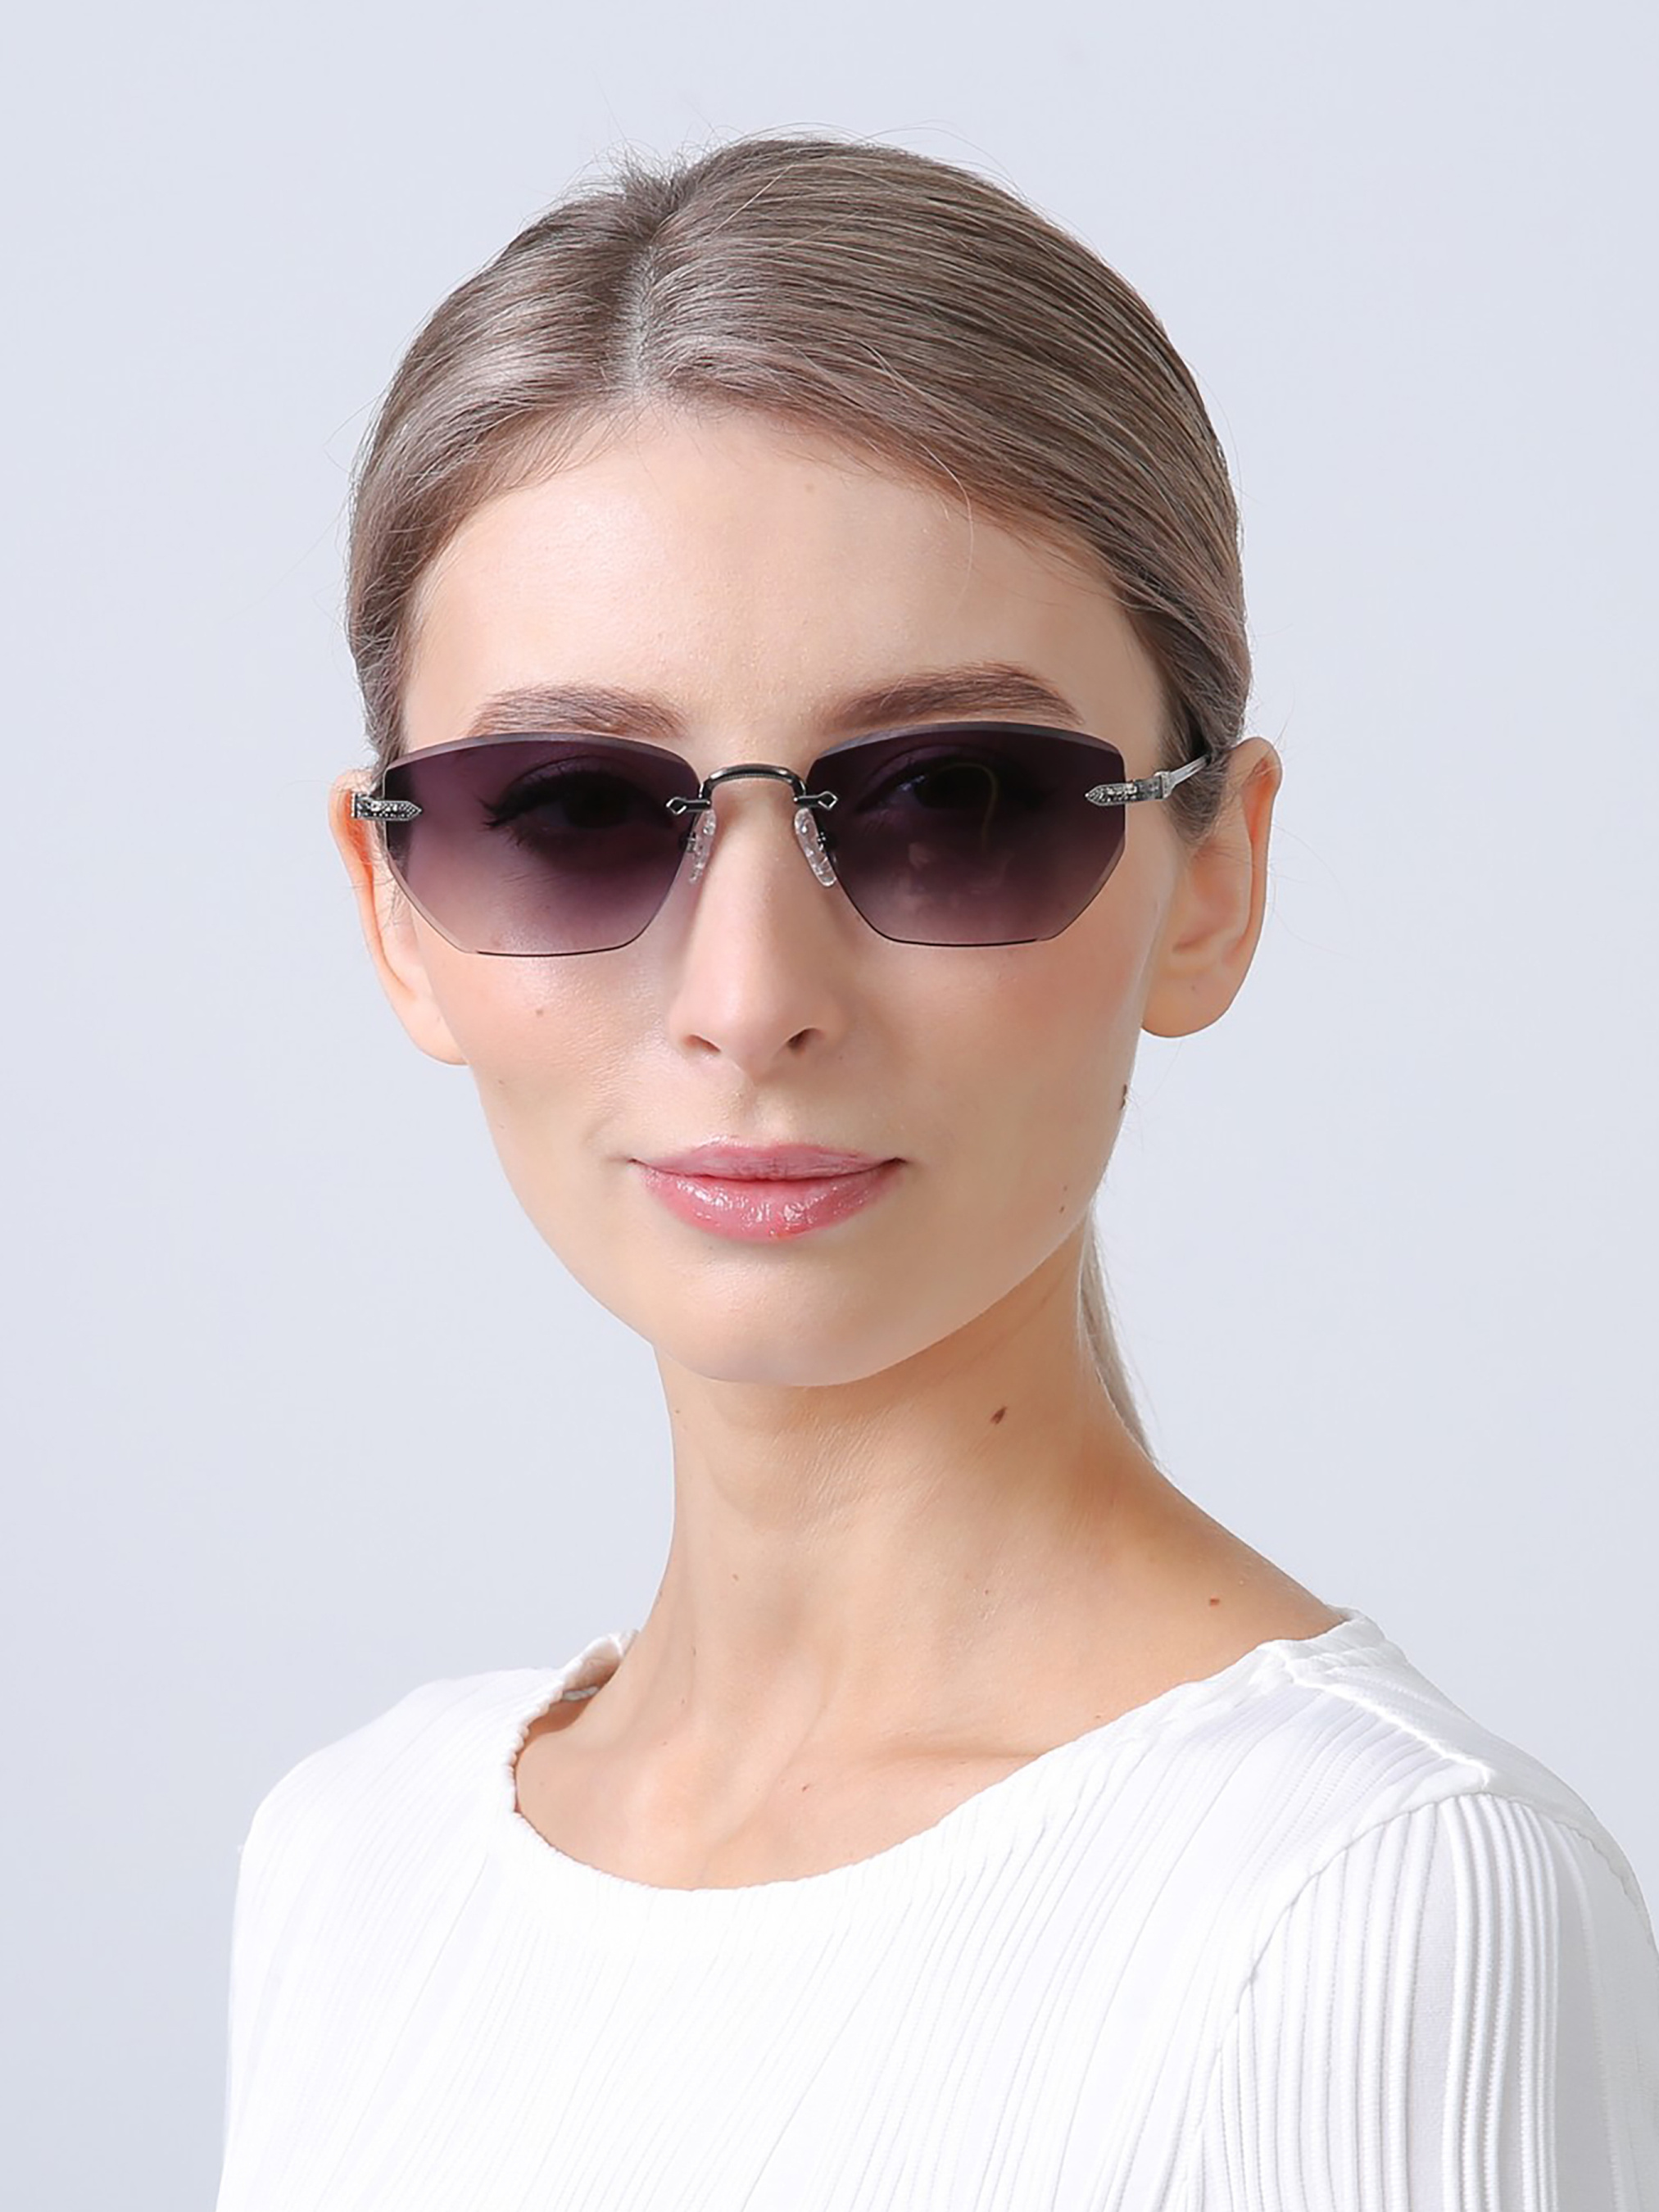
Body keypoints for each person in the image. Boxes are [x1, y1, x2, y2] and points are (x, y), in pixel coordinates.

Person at [213, 133, 1659, 2209]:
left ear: (1210, 881)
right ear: (394, 913)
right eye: (574, 812)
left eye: (954, 799)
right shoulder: (351, 1864)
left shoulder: (1370, 1904)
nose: (749, 1000)